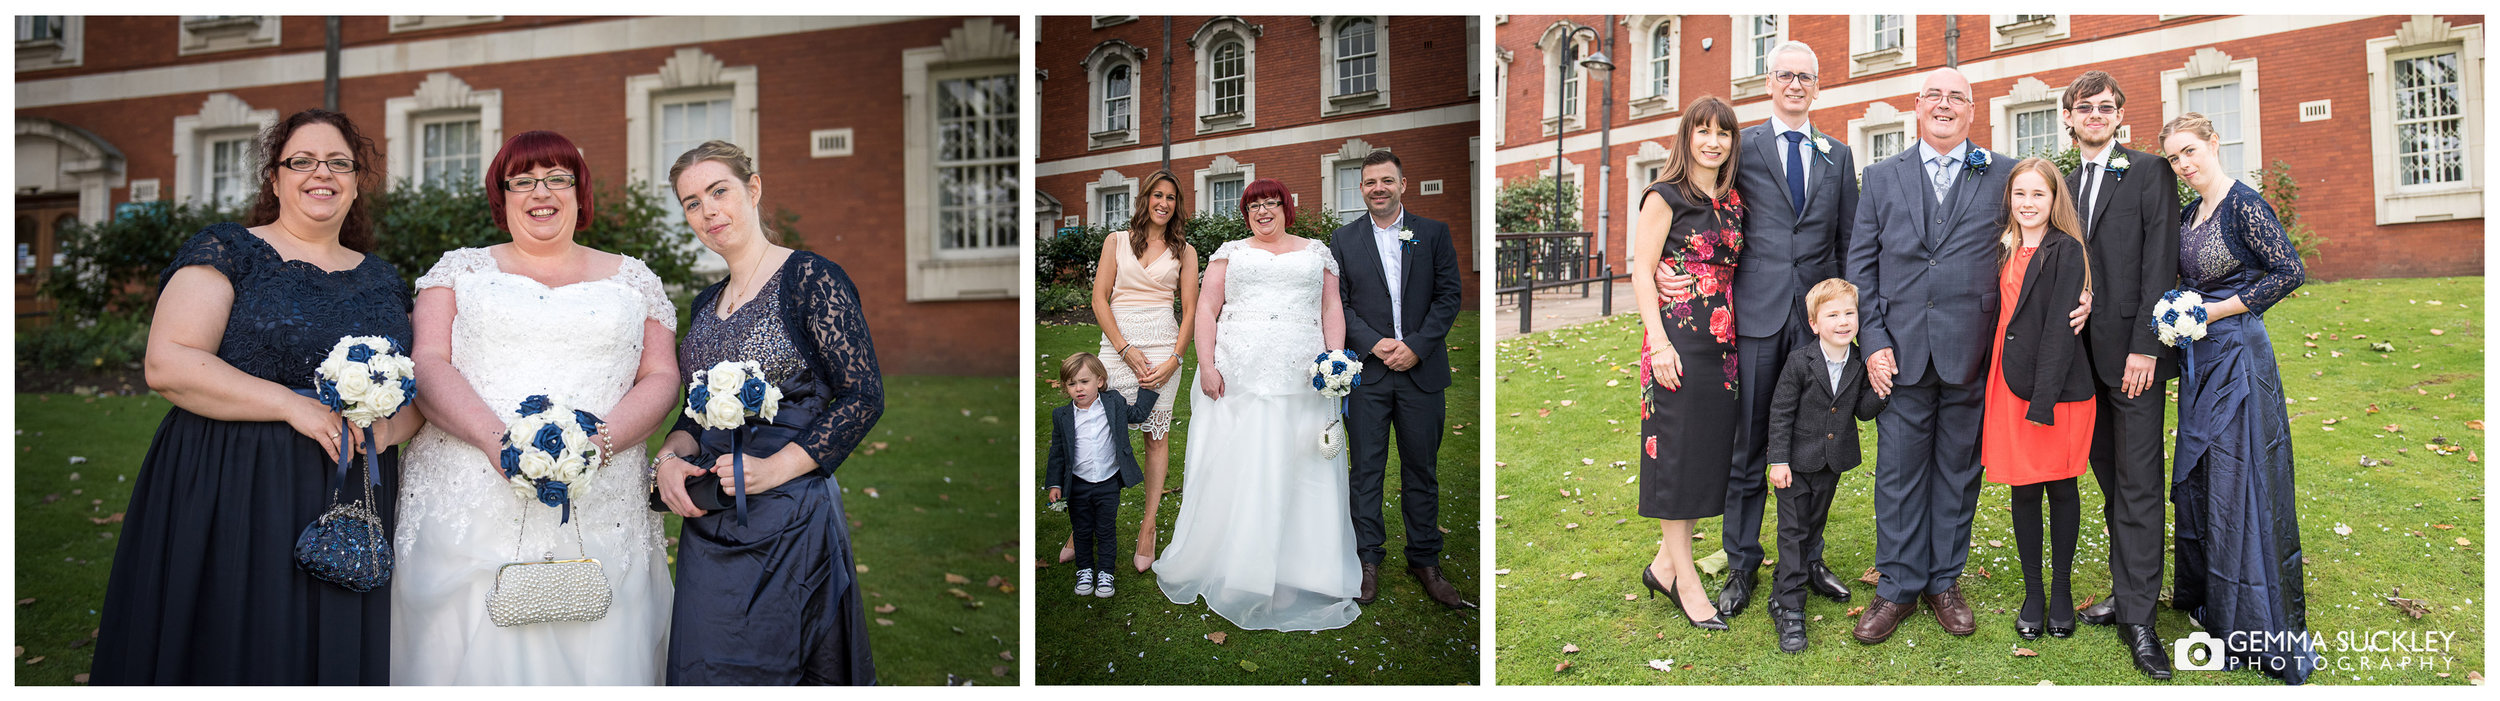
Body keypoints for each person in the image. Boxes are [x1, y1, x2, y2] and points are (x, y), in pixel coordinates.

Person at [92, 109, 424, 685]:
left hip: (352, 490)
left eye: (338, 163)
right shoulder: (229, 250)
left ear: (356, 181)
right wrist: (291, 404)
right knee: (237, 640)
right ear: (274, 178)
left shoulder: (385, 279)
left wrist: (389, 430)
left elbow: (421, 388)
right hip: (232, 481)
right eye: (302, 161)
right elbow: (168, 361)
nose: (322, 173)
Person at [392, 130, 680, 684]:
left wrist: (599, 445)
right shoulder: (458, 272)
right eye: (522, 181)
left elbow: (661, 375)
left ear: (579, 191)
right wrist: (496, 442)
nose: (539, 192)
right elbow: (427, 363)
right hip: (470, 491)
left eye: (556, 178)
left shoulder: (634, 280)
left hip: (604, 495)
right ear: (503, 198)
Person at [653, 140, 884, 685]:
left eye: (719, 191)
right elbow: (694, 415)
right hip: (708, 521)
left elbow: (863, 395)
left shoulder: (810, 279)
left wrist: (774, 468)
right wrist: (666, 459)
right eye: (691, 203)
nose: (708, 211)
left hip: (790, 518)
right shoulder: (704, 305)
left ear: (753, 190)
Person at [1842, 68, 2011, 644]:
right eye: (1934, 96)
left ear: (1972, 110)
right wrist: (1874, 341)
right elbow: (1861, 264)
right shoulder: (1882, 176)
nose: (1944, 105)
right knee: (1897, 473)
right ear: (1917, 108)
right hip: (1900, 350)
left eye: (1956, 97)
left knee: (1959, 474)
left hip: (1973, 349)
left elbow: (2038, 242)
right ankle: (1897, 585)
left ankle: (1943, 581)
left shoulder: (2004, 172)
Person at [1154, 178, 1362, 632]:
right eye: (1254, 206)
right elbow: (1207, 309)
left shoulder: (1316, 252)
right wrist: (1207, 365)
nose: (1263, 211)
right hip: (1238, 378)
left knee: (1301, 469)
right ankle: (1240, 565)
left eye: (1272, 203)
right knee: (1240, 468)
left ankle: (1298, 570)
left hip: (1301, 381)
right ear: (1246, 213)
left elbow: (1331, 309)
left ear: (1287, 208)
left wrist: (1335, 360)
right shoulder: (1230, 252)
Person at [2159, 113, 2319, 684]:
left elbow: (2289, 271)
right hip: (2204, 358)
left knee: (2241, 475)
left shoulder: (2241, 204)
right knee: (2206, 476)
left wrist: (2212, 310)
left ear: (2212, 143)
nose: (2184, 165)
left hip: (2241, 358)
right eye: (2175, 158)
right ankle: (2213, 597)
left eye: (2190, 151)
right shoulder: (2188, 213)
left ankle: (2253, 617)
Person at [1704, 39, 1860, 617]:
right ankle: (1741, 562)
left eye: (1806, 76)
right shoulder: (1742, 147)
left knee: (1819, 443)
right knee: (1749, 444)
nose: (1796, 84)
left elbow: (1847, 241)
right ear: (1769, 82)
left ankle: (1808, 556)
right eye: (1786, 75)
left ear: (1818, 86)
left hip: (1818, 322)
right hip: (1756, 316)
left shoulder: (1837, 155)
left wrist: (1845, 316)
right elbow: (1708, 214)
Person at [2057, 70, 2183, 681]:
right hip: (2081, 362)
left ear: (2118, 115)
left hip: (2134, 359)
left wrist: (2146, 348)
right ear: (2070, 117)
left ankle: (2140, 617)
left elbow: (2159, 264)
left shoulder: (2150, 172)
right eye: (2086, 107)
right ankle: (2127, 587)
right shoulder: (2063, 182)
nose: (2097, 115)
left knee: (2138, 484)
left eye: (2107, 107)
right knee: (2110, 479)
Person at [1327, 149, 1471, 609]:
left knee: (1421, 471)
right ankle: (1367, 559)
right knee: (1365, 471)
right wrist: (1374, 343)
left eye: (1386, 181)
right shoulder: (1344, 240)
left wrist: (1417, 346)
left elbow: (1449, 295)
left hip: (1422, 373)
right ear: (1361, 188)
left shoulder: (1432, 233)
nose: (1378, 189)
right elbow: (1339, 304)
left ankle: (1425, 559)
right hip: (1369, 375)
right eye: (1369, 182)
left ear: (1402, 184)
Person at [1630, 95, 1744, 632]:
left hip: (1722, 347)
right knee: (1676, 460)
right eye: (1703, 131)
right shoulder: (1663, 195)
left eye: (1722, 133)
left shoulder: (1733, 201)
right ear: (1687, 137)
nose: (1713, 141)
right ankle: (1684, 580)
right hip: (1676, 342)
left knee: (1701, 459)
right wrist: (1660, 342)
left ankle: (1661, 565)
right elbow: (1642, 271)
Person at [1978, 157, 2096, 645]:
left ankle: (2063, 591)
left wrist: (2043, 401)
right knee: (2023, 489)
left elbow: (2058, 332)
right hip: (2006, 383)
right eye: (2020, 194)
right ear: (2009, 198)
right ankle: (2033, 593)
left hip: (2056, 387)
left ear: (2054, 201)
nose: (2028, 204)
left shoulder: (2066, 251)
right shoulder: (1998, 247)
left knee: (2062, 488)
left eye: (2038, 195)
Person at [1057, 170, 1198, 574]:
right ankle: (1080, 525)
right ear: (1146, 199)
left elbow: (1189, 310)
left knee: (1156, 438)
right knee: (1100, 433)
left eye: (1171, 197)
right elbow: (1099, 298)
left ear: (1177, 204)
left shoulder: (1185, 251)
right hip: (1117, 347)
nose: (1164, 203)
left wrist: (1174, 359)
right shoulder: (1115, 241)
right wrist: (1123, 347)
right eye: (1157, 195)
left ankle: (1148, 526)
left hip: (1162, 349)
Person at [1761, 278, 1886, 653]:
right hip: (1795, 465)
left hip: (1830, 463)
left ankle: (1786, 583)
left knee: (1813, 526)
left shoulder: (1861, 360)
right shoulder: (1801, 361)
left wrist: (1881, 392)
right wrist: (1778, 460)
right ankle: (1790, 607)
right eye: (1833, 315)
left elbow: (1862, 412)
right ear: (1815, 323)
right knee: (1793, 532)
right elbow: (1781, 412)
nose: (1843, 321)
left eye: (1850, 313)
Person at [1043, 352, 1160, 598]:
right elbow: (1057, 452)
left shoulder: (1113, 402)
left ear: (1099, 381)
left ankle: (1106, 573)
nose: (1078, 388)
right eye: (1072, 383)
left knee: (1106, 530)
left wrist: (1149, 388)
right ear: (1066, 387)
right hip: (1078, 485)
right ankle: (1084, 569)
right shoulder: (1061, 416)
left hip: (1108, 483)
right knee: (1082, 530)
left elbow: (1137, 415)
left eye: (1084, 381)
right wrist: (1054, 483)